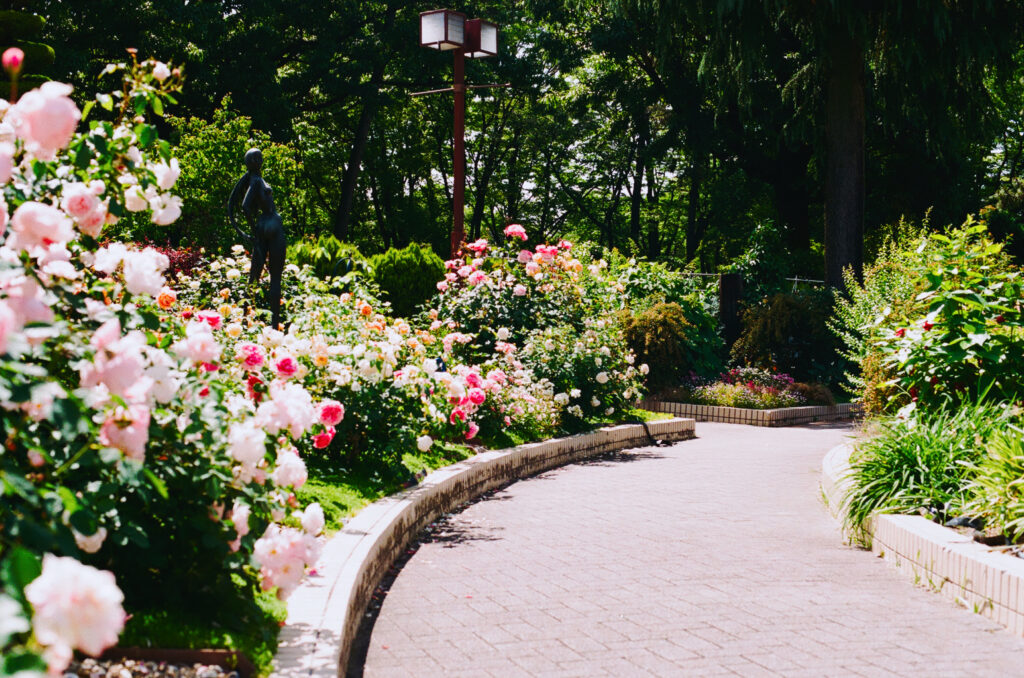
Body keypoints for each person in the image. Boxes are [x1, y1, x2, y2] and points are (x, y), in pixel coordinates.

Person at [227, 148, 286, 328]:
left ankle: (245, 322)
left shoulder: (253, 178)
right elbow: (245, 206)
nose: (262, 159)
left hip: (263, 224)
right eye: (259, 157)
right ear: (256, 161)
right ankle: (274, 324)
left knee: (255, 274)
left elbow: (240, 205)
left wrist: (254, 231)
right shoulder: (255, 180)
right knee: (275, 277)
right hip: (271, 222)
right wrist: (252, 231)